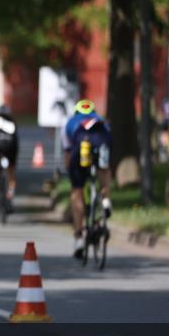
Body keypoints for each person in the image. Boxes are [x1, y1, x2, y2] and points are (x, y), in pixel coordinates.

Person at [63, 99, 113, 258]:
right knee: (104, 169)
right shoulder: (101, 121)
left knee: (77, 191)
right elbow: (109, 142)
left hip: (80, 150)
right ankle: (105, 199)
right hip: (101, 142)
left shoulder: (71, 122)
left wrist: (71, 173)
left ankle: (78, 237)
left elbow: (67, 152)